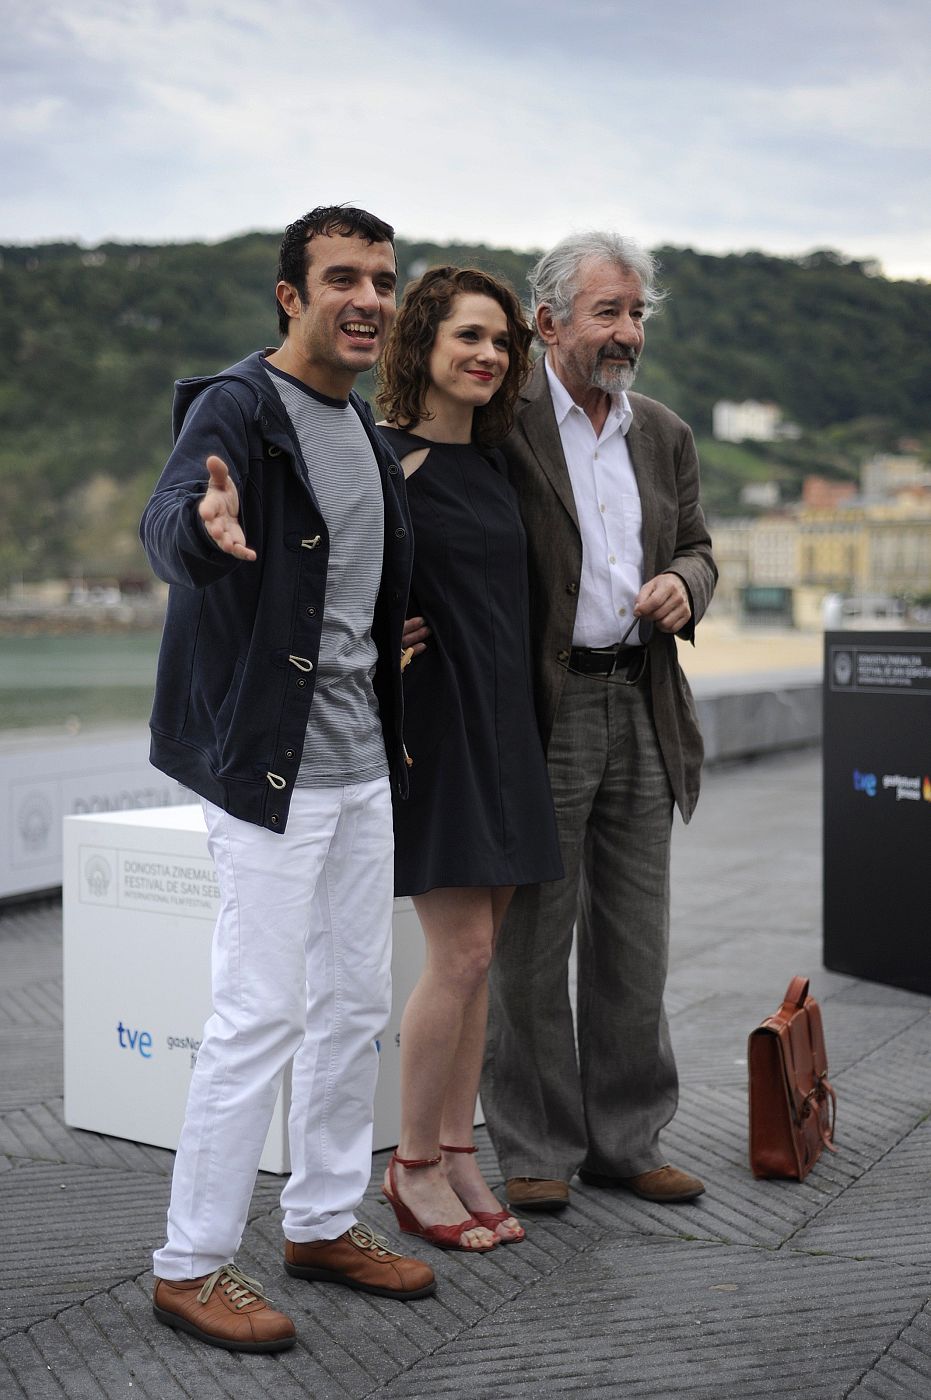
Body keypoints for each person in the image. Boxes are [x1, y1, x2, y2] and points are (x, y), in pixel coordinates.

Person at [139, 205, 435, 1354]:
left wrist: (378, 633)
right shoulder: (239, 405)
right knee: (259, 1010)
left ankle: (318, 1221)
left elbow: (337, 584)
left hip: (361, 761)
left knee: (354, 1003)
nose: (369, 299)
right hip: (273, 766)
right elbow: (169, 520)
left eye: (384, 280)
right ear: (291, 294)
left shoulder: (359, 423)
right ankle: (190, 1263)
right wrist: (205, 530)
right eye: (343, 277)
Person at [478, 232, 718, 1213]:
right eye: (606, 312)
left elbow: (699, 546)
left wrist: (685, 584)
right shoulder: (501, 422)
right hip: (547, 705)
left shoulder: (662, 432)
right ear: (547, 322)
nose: (627, 331)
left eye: (636, 313)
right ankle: (535, 1145)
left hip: (644, 696)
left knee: (635, 938)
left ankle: (627, 1140)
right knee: (532, 940)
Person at [375, 267, 563, 1251]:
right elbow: (328, 589)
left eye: (500, 341)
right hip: (436, 732)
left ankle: (456, 1151)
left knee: (481, 958)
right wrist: (380, 638)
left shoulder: (497, 462)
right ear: (422, 342)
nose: (488, 354)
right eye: (468, 336)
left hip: (506, 728)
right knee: (459, 954)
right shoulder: (382, 459)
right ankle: (410, 1164)